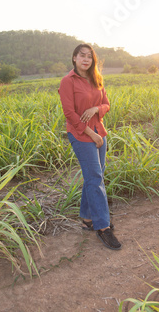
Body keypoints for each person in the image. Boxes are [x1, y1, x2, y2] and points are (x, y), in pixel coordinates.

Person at [58, 43, 122, 250]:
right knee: (95, 177)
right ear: (74, 58)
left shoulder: (96, 79)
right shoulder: (68, 82)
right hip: (81, 134)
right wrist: (91, 134)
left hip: (99, 131)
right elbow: (69, 114)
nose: (86, 59)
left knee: (96, 175)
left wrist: (96, 107)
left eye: (90, 56)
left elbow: (107, 104)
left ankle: (86, 218)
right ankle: (103, 227)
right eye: (82, 55)